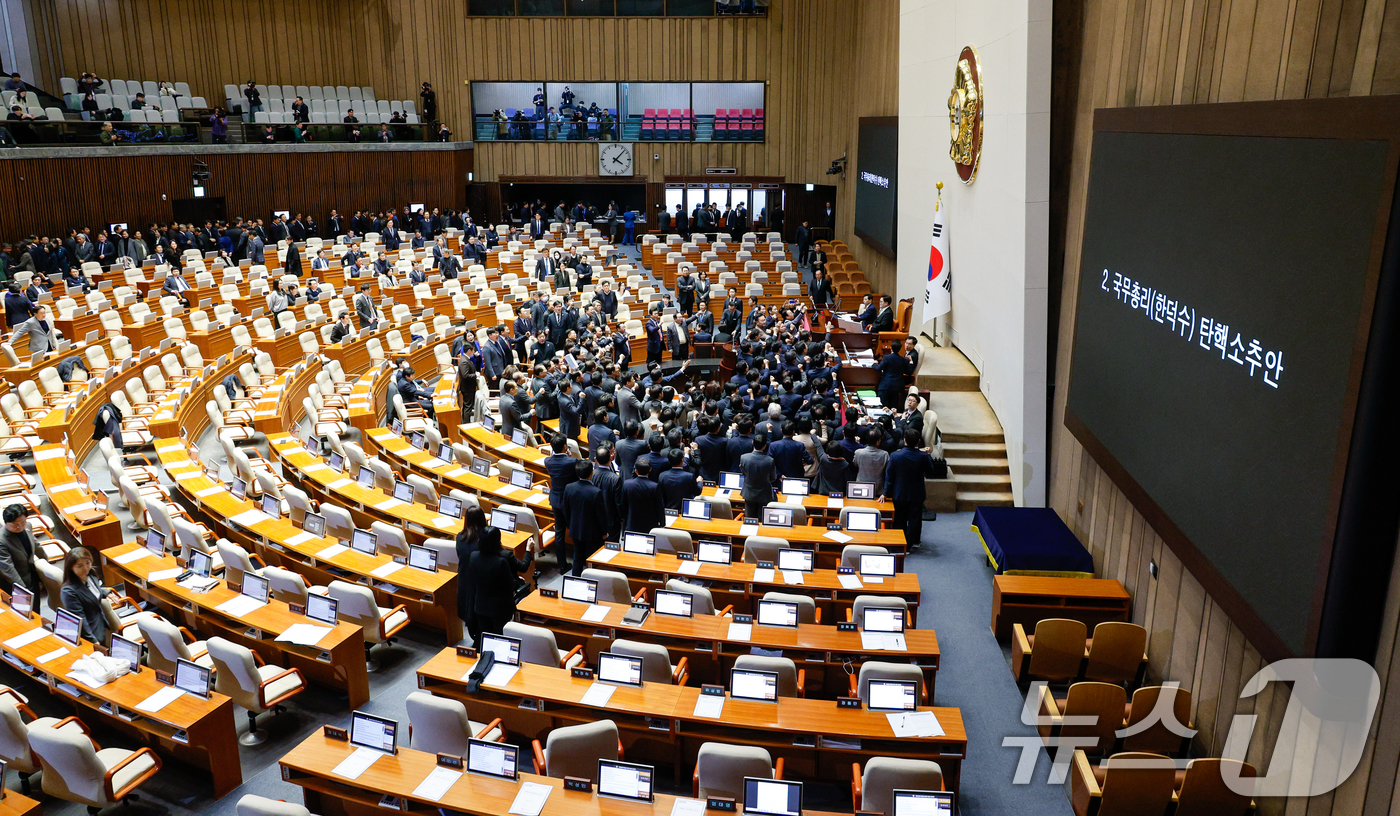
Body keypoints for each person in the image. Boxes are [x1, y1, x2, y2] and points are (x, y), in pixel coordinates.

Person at [459, 526, 534, 648]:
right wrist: (517, 581)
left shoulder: (473, 556)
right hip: (500, 609)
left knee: (486, 637)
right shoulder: (501, 562)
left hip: (480, 606)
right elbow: (509, 585)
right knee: (500, 637)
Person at [884, 428, 940, 551]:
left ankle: (900, 543)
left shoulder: (895, 455)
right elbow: (931, 472)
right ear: (918, 441)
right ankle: (912, 543)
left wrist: (885, 493)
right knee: (915, 519)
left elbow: (890, 476)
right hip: (917, 493)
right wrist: (928, 455)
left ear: (904, 440)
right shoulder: (923, 457)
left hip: (899, 492)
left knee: (900, 518)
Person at [60, 547, 123, 644]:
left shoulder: (91, 575)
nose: (85, 568)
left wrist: (105, 592)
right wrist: (93, 642)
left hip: (102, 624)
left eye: (88, 563)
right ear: (71, 568)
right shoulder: (68, 591)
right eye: (80, 566)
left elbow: (91, 592)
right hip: (91, 633)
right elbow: (80, 620)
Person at [557, 460, 604, 577]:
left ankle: (575, 580)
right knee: (591, 560)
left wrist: (570, 525)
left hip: (575, 529)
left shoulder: (568, 488)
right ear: (591, 473)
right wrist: (604, 532)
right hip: (592, 533)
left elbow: (565, 510)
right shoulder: (596, 492)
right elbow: (600, 516)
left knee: (577, 558)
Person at [0, 504, 40, 595]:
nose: (19, 527)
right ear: (6, 523)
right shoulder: (1, 540)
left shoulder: (27, 526)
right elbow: (7, 568)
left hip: (32, 575)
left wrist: (45, 561)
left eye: (22, 522)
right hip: (16, 583)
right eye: (14, 524)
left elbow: (36, 545)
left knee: (36, 607)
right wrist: (23, 590)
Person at [739, 432, 777, 518]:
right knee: (762, 519)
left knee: (749, 520)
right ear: (765, 446)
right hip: (764, 494)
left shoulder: (744, 458)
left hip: (749, 493)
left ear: (753, 443)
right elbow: (773, 478)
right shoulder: (769, 460)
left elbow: (743, 473)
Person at [620, 459, 664, 534]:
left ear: (636, 471)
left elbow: (623, 505)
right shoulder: (655, 486)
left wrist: (623, 519)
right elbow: (659, 507)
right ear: (650, 470)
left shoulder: (627, 484)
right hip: (650, 526)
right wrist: (662, 523)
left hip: (631, 524)